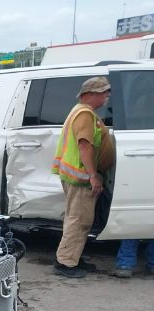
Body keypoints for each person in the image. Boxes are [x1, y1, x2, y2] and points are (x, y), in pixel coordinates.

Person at [51, 77, 115, 278]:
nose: (107, 96)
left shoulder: (81, 111)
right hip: (81, 177)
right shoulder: (85, 114)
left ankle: (71, 257)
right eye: (104, 92)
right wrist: (93, 176)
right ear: (91, 94)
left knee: (77, 218)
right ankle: (66, 263)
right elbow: (85, 145)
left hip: (77, 175)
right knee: (79, 220)